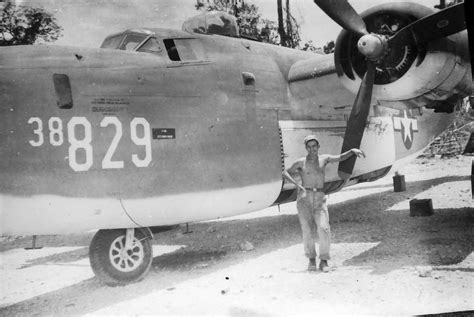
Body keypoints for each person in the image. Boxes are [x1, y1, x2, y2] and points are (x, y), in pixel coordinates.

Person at [282, 135, 365, 272]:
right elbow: (285, 172)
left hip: (320, 197)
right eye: (309, 147)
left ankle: (324, 260)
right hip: (304, 198)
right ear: (306, 148)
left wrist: (352, 151)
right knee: (307, 231)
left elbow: (340, 157)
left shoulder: (324, 159)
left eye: (314, 146)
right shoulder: (300, 162)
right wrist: (297, 184)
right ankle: (311, 260)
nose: (312, 149)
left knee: (324, 228)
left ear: (318, 146)